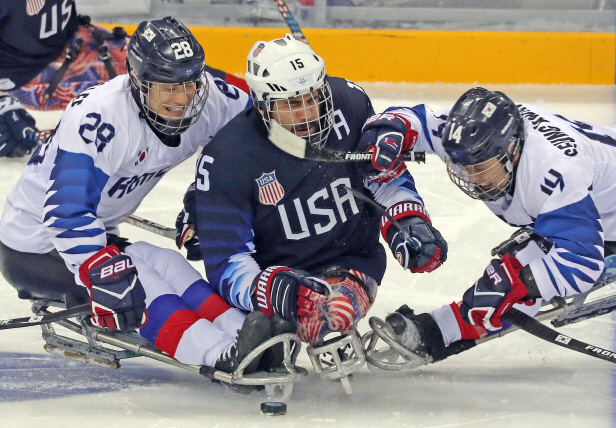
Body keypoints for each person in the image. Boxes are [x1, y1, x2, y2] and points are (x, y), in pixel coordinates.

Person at [0, 17, 278, 378]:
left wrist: (205, 201)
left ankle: (246, 332)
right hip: (34, 245)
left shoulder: (212, 97)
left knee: (167, 263)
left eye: (190, 84)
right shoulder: (99, 116)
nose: (182, 100)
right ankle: (220, 353)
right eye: (167, 89)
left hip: (100, 231)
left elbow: (267, 114)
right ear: (137, 80)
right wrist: (100, 271)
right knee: (140, 279)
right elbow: (65, 212)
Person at [176, 33, 448, 347]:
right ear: (263, 104)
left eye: (312, 97)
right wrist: (265, 289)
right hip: (278, 273)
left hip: (353, 258)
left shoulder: (349, 102)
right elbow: (227, 262)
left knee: (335, 313)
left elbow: (381, 178)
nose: (307, 112)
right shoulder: (227, 157)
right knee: (282, 321)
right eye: (291, 102)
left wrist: (408, 221)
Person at [371, 87, 616, 363]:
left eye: (480, 168)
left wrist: (521, 283)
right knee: (514, 274)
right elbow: (420, 122)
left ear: (511, 151)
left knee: (512, 277)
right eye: (467, 167)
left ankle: (436, 332)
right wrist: (391, 130)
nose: (472, 178)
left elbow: (581, 265)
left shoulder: (552, 174)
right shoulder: (484, 137)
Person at [0, 0, 248, 158]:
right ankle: (255, 101)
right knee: (163, 73)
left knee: (169, 59)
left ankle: (256, 94)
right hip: (33, 75)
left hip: (71, 41)